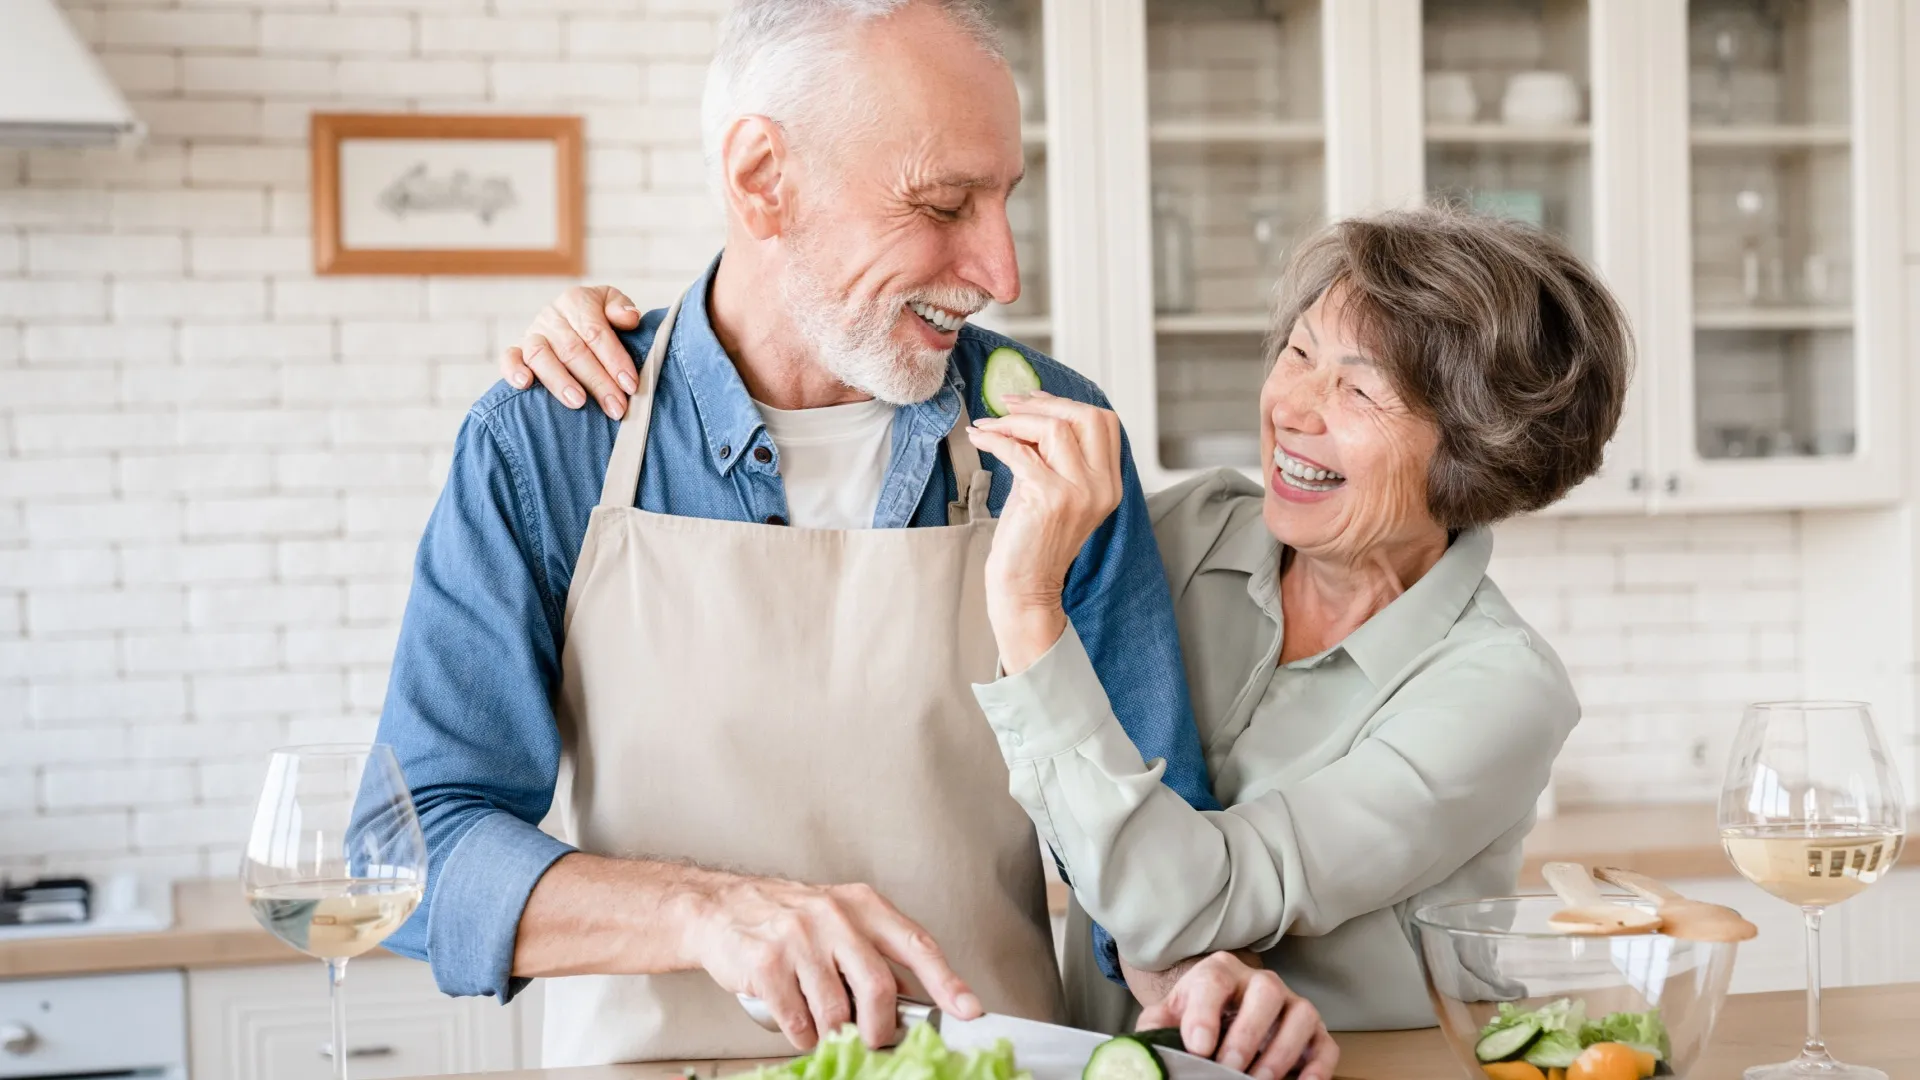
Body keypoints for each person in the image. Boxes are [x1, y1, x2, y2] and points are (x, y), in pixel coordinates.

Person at [378, 0, 1310, 1072]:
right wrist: (708, 914)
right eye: (943, 204)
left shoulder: (1050, 439)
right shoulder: (553, 440)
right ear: (763, 180)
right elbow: (410, 852)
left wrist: (1206, 983)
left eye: (1004, 199)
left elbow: (1148, 876)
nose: (1002, 273)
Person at [516, 207, 1629, 1079]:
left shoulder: (1499, 690)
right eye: (1298, 353)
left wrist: (1031, 604)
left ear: (1475, 450)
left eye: (1361, 389)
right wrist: (652, 344)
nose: (1295, 406)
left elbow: (1178, 900)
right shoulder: (1190, 531)